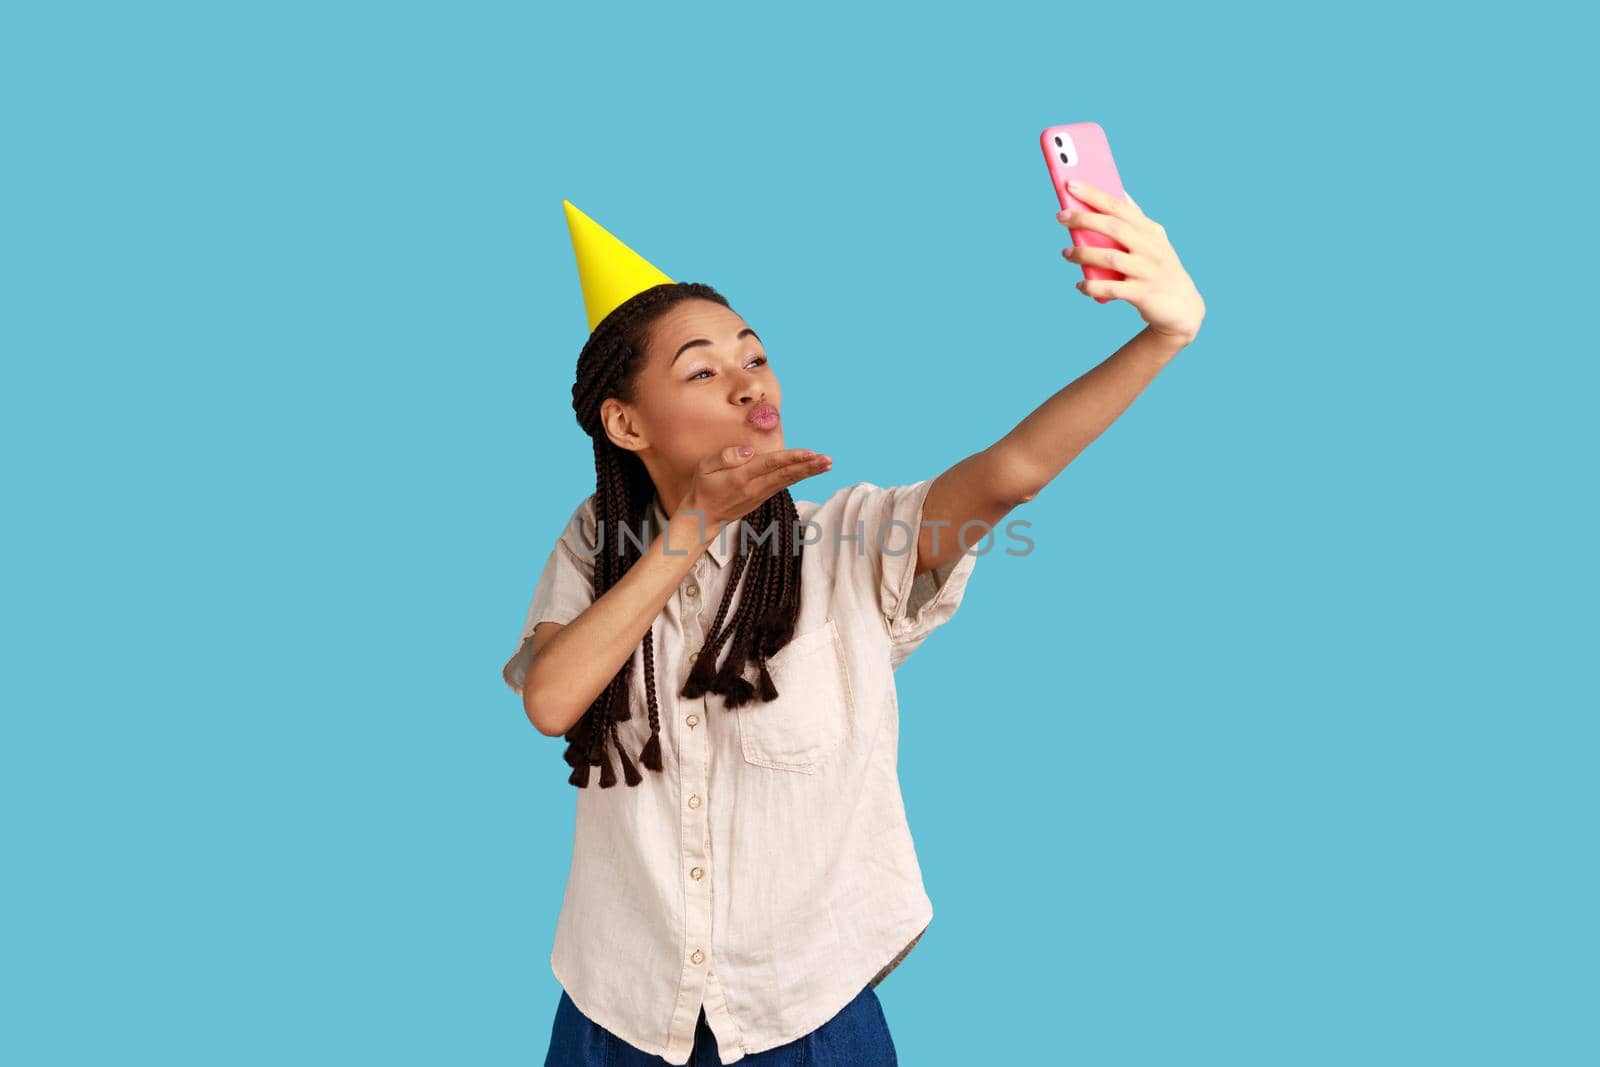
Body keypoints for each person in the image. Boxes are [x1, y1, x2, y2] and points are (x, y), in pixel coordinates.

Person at [504, 194, 1205, 1065]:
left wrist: (1163, 336)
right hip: (618, 1010)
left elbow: (1013, 473)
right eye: (702, 370)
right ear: (626, 423)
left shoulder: (851, 542)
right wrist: (689, 531)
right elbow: (552, 698)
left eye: (755, 355)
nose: (751, 380)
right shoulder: (594, 544)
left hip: (805, 1012)